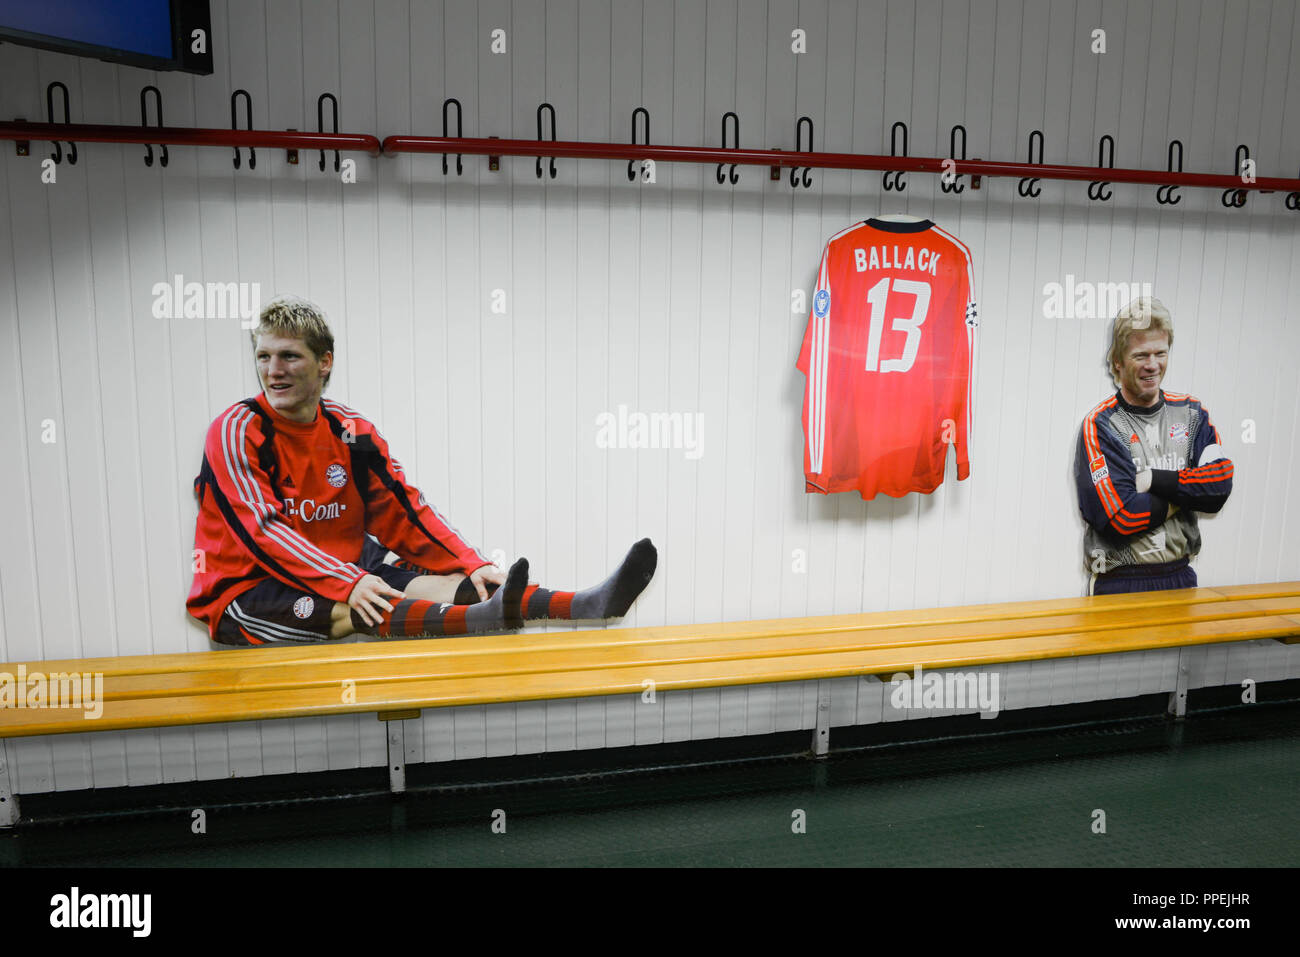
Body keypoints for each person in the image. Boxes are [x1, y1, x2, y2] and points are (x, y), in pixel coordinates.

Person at [187, 296, 657, 646]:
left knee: (460, 585)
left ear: (324, 363)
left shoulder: (351, 432)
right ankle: (480, 620)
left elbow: (406, 514)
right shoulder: (235, 430)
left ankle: (589, 603)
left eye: (289, 356)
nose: (273, 371)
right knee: (363, 602)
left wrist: (470, 562)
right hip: (249, 587)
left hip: (345, 568)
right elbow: (263, 532)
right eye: (264, 357)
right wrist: (346, 581)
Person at [1074, 297, 1233, 595]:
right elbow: (1123, 516)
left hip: (1181, 577)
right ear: (1118, 361)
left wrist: (1154, 481)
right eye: (1140, 355)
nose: (1152, 365)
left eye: (1160, 353)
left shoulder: (1192, 413)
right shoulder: (1101, 425)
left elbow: (1220, 486)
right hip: (1121, 582)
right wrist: (1189, 492)